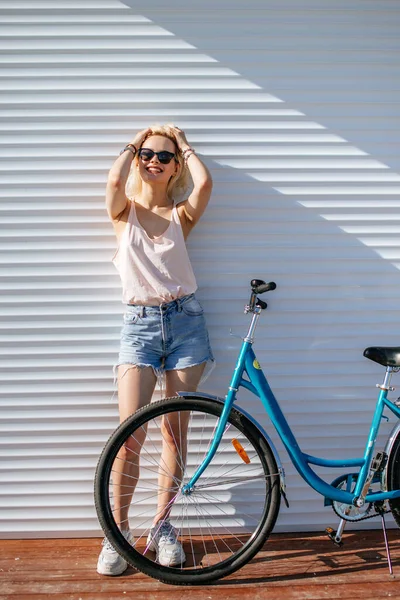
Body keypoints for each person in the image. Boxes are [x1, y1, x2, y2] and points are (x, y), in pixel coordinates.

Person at [97, 124, 214, 576]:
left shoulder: (181, 216)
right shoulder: (122, 212)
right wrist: (134, 143)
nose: (154, 162)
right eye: (148, 154)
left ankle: (163, 527)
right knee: (130, 437)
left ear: (175, 166)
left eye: (164, 157)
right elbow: (112, 182)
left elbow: (204, 184)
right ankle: (118, 532)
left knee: (173, 435)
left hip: (187, 324)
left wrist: (182, 144)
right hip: (139, 327)